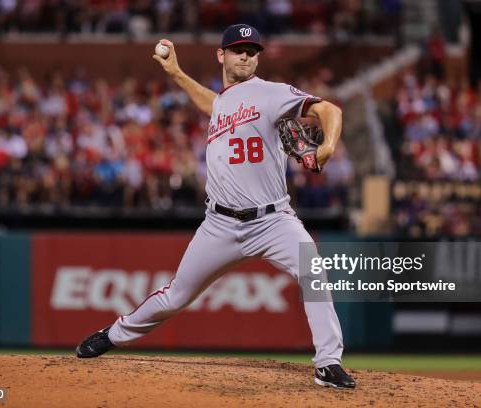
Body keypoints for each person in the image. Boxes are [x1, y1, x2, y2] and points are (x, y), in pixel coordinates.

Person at [76, 24, 355, 389]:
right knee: (176, 295)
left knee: (313, 272)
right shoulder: (224, 102)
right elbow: (213, 103)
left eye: (252, 50)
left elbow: (328, 109)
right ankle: (112, 335)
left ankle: (328, 363)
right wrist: (175, 73)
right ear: (221, 55)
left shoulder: (271, 93)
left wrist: (328, 146)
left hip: (273, 221)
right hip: (219, 225)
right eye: (238, 49)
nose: (245, 55)